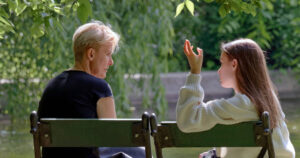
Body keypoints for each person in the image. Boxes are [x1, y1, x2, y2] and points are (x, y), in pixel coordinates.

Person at [38, 21, 144, 158]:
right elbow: (114, 140)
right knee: (140, 152)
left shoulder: (51, 86)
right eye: (107, 54)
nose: (111, 62)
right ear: (91, 54)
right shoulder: (100, 88)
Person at [176, 39, 295, 158]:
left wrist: (195, 72)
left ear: (234, 64)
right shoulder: (270, 101)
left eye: (222, 63)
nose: (219, 70)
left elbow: (187, 120)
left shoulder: (238, 105)